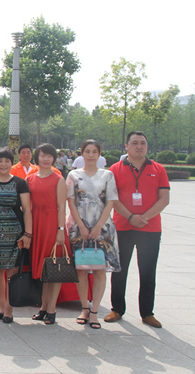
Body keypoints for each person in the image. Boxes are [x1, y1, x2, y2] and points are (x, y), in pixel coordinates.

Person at [106, 131, 170, 328]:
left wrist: (144, 218)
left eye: (143, 143)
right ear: (126, 146)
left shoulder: (158, 169)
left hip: (150, 229)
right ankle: (117, 309)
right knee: (119, 270)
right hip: (123, 226)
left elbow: (164, 199)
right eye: (134, 143)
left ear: (147, 146)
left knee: (148, 271)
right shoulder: (115, 169)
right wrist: (131, 217)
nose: (139, 146)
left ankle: (147, 313)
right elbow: (112, 198)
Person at [66, 139, 120, 329]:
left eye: (94, 151)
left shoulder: (107, 175)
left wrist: (99, 226)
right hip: (78, 227)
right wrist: (81, 226)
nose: (90, 155)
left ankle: (95, 311)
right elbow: (71, 201)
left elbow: (111, 201)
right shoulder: (74, 175)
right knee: (81, 268)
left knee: (99, 269)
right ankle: (84, 308)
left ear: (99, 154)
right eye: (87, 151)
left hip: (102, 228)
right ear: (81, 153)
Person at [0, 147, 32, 323]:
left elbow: (27, 210)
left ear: (12, 163)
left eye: (7, 161)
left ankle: (9, 307)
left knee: (12, 270)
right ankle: (1, 305)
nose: (3, 164)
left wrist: (28, 234)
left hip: (15, 232)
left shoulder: (19, 183)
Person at [26, 143, 68, 325]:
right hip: (36, 226)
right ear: (37, 157)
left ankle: (52, 308)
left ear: (54, 159)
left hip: (52, 227)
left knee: (54, 268)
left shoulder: (58, 179)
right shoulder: (30, 178)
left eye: (49, 156)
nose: (45, 159)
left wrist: (60, 230)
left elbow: (61, 207)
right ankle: (43, 307)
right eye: (42, 155)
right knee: (43, 269)